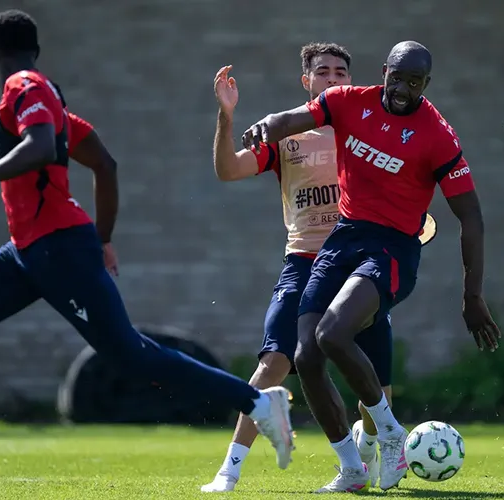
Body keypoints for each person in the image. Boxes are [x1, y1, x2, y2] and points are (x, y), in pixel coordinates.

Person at [0, 10, 294, 500]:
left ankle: (258, 404)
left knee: (130, 354)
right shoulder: (49, 101)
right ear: (35, 49)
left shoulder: (24, 86)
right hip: (28, 251)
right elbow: (104, 164)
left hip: (58, 249)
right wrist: (105, 238)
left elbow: (39, 147)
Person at [240, 40, 501, 493]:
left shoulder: (437, 134)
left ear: (426, 85)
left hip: (392, 249)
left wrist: (473, 295)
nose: (402, 89)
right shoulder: (347, 101)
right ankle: (352, 468)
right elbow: (291, 120)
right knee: (306, 355)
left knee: (332, 334)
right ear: (384, 72)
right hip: (343, 238)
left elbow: (471, 217)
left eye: (414, 83)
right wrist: (266, 125)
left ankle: (391, 433)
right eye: (397, 78)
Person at [202, 43, 423, 493]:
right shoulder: (288, 137)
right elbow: (227, 170)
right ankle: (230, 470)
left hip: (362, 264)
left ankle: (364, 452)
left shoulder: (367, 130)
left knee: (377, 391)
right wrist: (227, 115)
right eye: (323, 72)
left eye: (341, 72)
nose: (333, 79)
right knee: (274, 362)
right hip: (305, 261)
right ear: (307, 81)